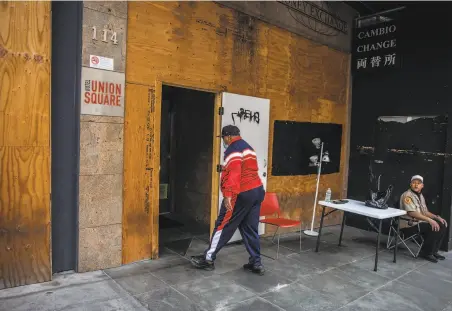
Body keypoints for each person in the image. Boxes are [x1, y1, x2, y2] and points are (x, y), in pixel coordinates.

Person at [191, 125, 266, 275]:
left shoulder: (233, 149)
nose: (224, 141)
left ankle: (208, 259)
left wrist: (228, 195)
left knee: (222, 225)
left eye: (224, 138)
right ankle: (256, 262)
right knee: (250, 228)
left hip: (241, 193)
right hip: (257, 191)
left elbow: (233, 173)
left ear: (228, 137)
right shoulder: (248, 147)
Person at [400, 175, 448, 263]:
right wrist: (430, 220)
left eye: (418, 183)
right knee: (432, 226)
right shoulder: (407, 195)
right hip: (409, 225)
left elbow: (425, 212)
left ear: (422, 186)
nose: (416, 185)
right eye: (414, 183)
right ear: (410, 184)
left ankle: (433, 251)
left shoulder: (420, 195)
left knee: (442, 224)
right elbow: (411, 212)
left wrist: (436, 217)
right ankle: (426, 252)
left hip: (419, 222)